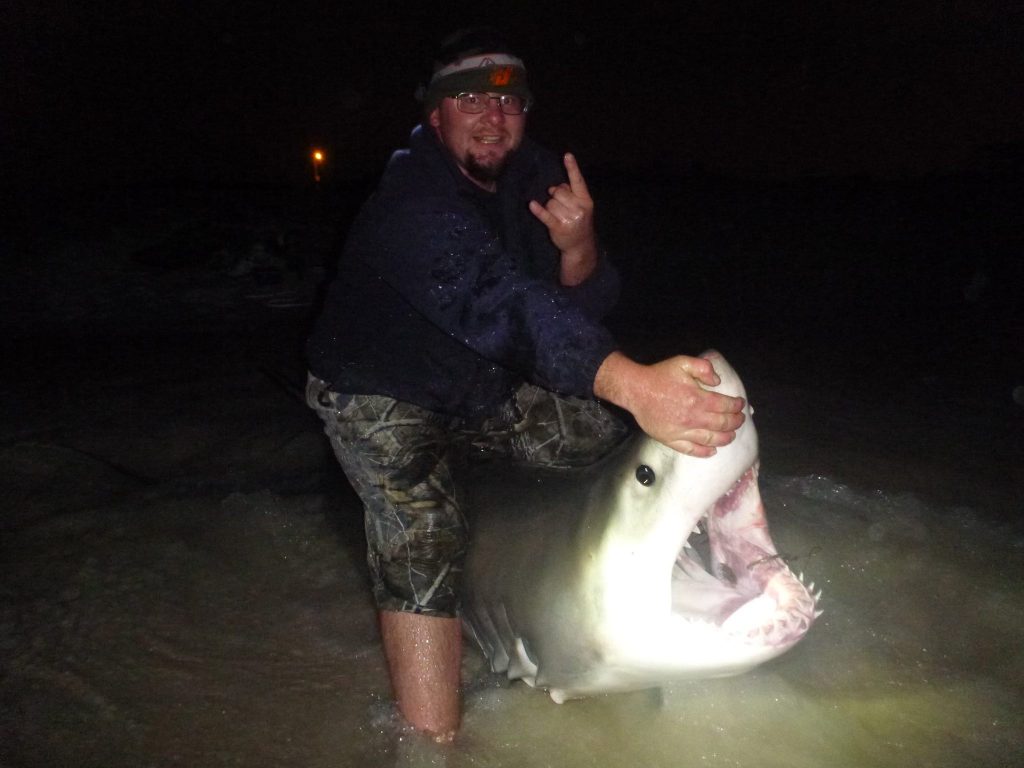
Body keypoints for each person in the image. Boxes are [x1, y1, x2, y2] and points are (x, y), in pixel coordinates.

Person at [305, 27, 745, 742]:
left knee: (596, 436)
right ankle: (428, 746)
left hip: (481, 381)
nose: (492, 116)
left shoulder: (539, 178)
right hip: (380, 390)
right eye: (468, 99)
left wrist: (580, 248)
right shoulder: (407, 199)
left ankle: (628, 616)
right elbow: (495, 302)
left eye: (508, 102)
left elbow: (576, 309)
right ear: (434, 115)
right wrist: (632, 382)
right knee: (425, 531)